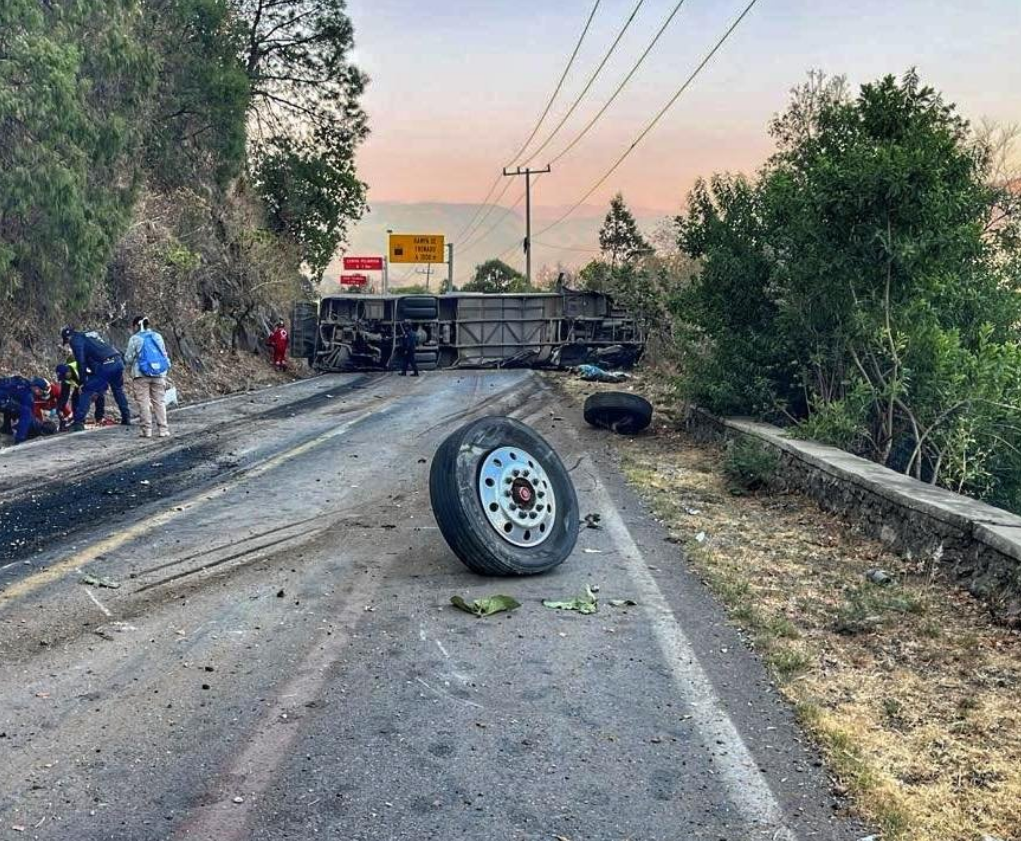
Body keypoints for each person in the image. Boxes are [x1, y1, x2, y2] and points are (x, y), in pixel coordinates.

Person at [62, 326, 132, 432]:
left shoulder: (76, 340)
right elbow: (107, 348)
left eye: (67, 342)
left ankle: (78, 423)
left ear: (68, 338)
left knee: (86, 389)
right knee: (117, 389)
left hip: (105, 365)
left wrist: (82, 381)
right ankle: (126, 417)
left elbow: (81, 362)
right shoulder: (90, 335)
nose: (69, 346)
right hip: (118, 361)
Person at [123, 315, 171, 438]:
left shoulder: (135, 339)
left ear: (136, 326)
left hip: (141, 375)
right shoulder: (157, 336)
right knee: (159, 402)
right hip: (159, 373)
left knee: (143, 402)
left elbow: (128, 358)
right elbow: (163, 354)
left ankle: (147, 430)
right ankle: (163, 429)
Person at [0, 376, 55, 444]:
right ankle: (20, 439)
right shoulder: (28, 395)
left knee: (12, 406)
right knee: (26, 412)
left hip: (3, 398)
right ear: (37, 388)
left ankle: (6, 428)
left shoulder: (24, 383)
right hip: (2, 399)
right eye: (41, 392)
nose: (40, 395)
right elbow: (27, 415)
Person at [55, 361, 107, 429]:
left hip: (95, 379)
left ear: (68, 372)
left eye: (65, 377)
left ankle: (99, 418)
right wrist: (59, 409)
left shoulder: (81, 367)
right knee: (75, 397)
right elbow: (64, 395)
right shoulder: (65, 377)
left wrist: (97, 392)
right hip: (80, 383)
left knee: (98, 396)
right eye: (63, 378)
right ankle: (78, 420)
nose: (65, 379)